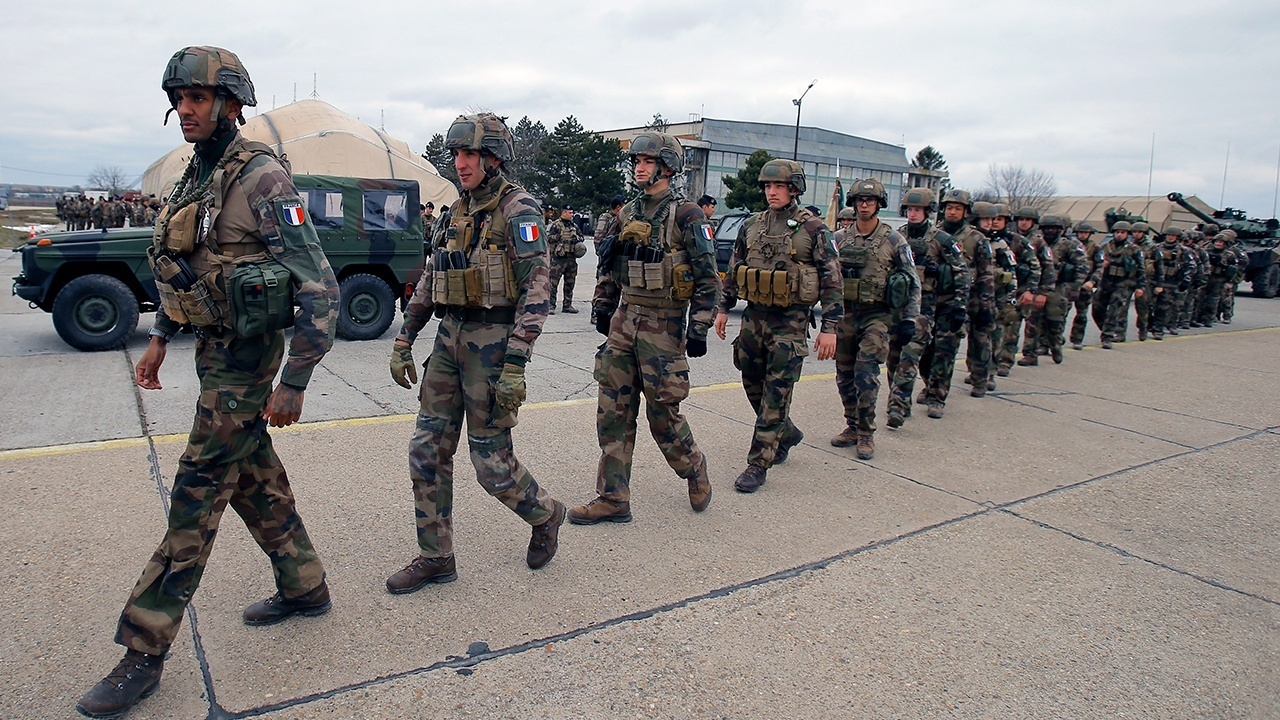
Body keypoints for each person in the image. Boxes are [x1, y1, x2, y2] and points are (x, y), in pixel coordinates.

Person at [77, 46, 341, 719]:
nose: (185, 110)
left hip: (247, 364)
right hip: (212, 354)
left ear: (231, 103)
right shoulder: (195, 176)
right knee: (252, 475)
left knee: (196, 493)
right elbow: (183, 264)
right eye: (179, 99)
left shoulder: (261, 179)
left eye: (197, 98)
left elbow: (320, 286)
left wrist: (296, 378)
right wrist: (162, 338)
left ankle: (144, 646)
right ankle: (305, 585)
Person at [385, 112, 566, 595]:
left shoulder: (519, 210)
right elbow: (431, 277)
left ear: (493, 157)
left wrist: (516, 361)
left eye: (469, 154)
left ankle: (546, 512)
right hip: (449, 340)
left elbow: (537, 289)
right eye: (456, 155)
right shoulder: (456, 210)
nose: (460, 163)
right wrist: (405, 337)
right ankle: (435, 556)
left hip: (494, 345)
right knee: (425, 451)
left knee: (490, 466)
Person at [568, 132, 720, 524]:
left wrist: (700, 326)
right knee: (613, 410)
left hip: (664, 325)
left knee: (662, 413)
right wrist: (603, 305)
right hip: (625, 318)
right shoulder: (627, 213)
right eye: (636, 161)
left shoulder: (688, 216)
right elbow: (610, 264)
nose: (639, 166)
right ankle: (614, 497)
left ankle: (693, 467)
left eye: (647, 161)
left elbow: (708, 279)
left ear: (667, 167)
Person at [715, 159, 840, 490]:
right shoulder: (752, 225)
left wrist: (830, 327)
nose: (772, 191)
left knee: (776, 392)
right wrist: (724, 307)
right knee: (751, 382)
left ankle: (758, 463)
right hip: (754, 316)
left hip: (791, 321)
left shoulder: (814, 229)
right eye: (768, 186)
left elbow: (832, 280)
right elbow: (735, 266)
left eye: (780, 186)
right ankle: (786, 432)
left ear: (794, 189)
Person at [829, 178, 920, 457]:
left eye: (869, 201)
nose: (864, 205)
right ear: (853, 204)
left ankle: (867, 432)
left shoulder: (894, 239)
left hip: (878, 315)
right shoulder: (840, 238)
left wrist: (909, 320)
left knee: (866, 374)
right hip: (847, 313)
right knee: (844, 375)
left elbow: (911, 281)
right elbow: (827, 278)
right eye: (859, 201)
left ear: (879, 204)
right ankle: (853, 425)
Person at [887, 187, 968, 428]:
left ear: (928, 211)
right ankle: (900, 400)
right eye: (910, 209)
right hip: (897, 306)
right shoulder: (896, 236)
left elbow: (962, 273)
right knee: (893, 357)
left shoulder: (942, 240)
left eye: (918, 210)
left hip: (925, 308)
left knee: (910, 356)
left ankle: (899, 406)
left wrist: (959, 307)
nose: (913, 214)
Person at [1025, 214, 1083, 363]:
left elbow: (1082, 266)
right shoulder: (1035, 242)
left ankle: (1055, 346)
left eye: (1053, 228)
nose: (1050, 231)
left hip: (1059, 286)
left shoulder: (1069, 245)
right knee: (1033, 320)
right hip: (1039, 284)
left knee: (1054, 320)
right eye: (1047, 228)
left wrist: (1076, 287)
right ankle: (1031, 352)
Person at [1093, 221, 1147, 349]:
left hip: (1123, 283)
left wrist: (1141, 286)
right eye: (1117, 232)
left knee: (1114, 310)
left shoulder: (1134, 249)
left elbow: (1141, 269)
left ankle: (1107, 336)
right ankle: (1105, 329)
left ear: (1127, 234)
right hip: (1106, 281)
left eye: (1122, 233)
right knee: (1097, 308)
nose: (1119, 235)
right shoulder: (1105, 247)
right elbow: (1096, 263)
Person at [1151, 228, 1194, 339]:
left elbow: (1191, 266)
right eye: (1168, 235)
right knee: (1155, 306)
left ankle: (1166, 327)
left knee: (1171, 307)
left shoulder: (1184, 250)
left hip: (1173, 282)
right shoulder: (1156, 248)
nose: (1170, 237)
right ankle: (1154, 327)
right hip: (1157, 281)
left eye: (1173, 235)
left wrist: (1186, 280)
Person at [1068, 221, 1104, 349]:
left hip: (1085, 285)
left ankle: (1077, 339)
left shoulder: (1096, 248)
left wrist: (1092, 281)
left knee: (1081, 314)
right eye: (1080, 232)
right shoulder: (1070, 245)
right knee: (1059, 313)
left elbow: (1100, 267)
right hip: (1069, 284)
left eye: (1085, 233)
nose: (1082, 235)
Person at [547, 204, 583, 313]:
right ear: (563, 213)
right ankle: (551, 306)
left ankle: (567, 305)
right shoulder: (555, 225)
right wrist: (559, 237)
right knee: (553, 283)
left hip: (571, 259)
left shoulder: (574, 226)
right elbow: (548, 237)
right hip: (559, 259)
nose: (572, 215)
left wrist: (576, 239)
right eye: (570, 213)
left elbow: (581, 237)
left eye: (572, 213)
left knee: (570, 283)